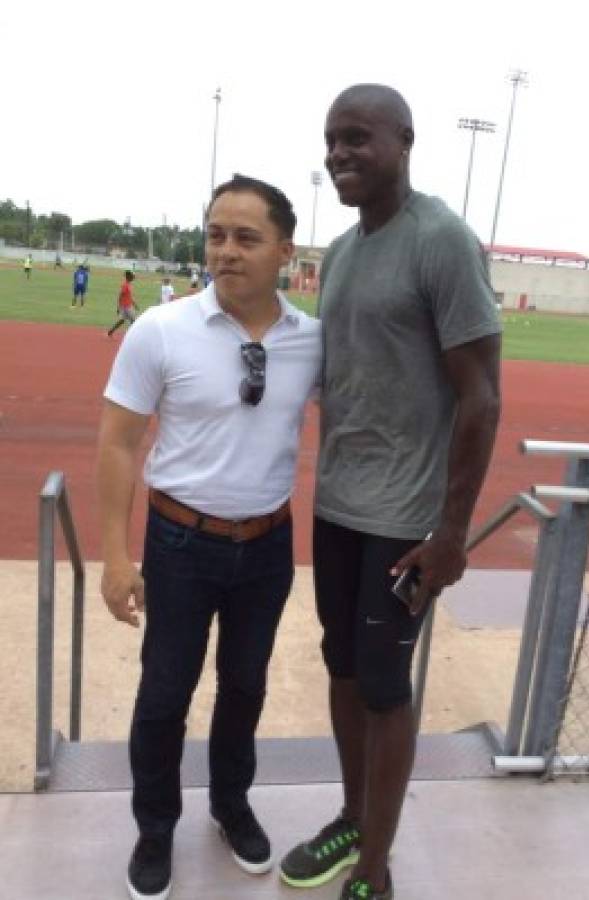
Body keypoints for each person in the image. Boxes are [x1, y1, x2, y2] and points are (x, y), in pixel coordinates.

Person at [279, 84, 502, 900]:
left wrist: (451, 534)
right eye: (331, 139)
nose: (339, 153)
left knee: (381, 685)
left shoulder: (440, 241)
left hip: (406, 522)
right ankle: (352, 815)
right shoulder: (340, 253)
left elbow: (481, 396)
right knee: (341, 667)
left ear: (403, 142)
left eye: (357, 138)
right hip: (337, 507)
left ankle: (375, 869)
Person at [96, 174, 321, 900]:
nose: (226, 252)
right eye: (216, 235)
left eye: (246, 238)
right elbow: (119, 444)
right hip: (179, 545)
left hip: (266, 548)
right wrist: (115, 554)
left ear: (285, 250)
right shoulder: (160, 330)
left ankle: (231, 805)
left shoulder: (310, 341)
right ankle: (155, 826)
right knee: (164, 693)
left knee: (245, 687)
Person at [107, 270, 139, 336]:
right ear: (129, 277)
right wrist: (118, 307)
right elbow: (120, 295)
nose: (133, 277)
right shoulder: (125, 285)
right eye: (132, 276)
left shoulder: (129, 285)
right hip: (126, 307)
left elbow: (129, 296)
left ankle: (111, 331)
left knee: (122, 320)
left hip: (127, 306)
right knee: (133, 321)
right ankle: (133, 335)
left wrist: (134, 304)